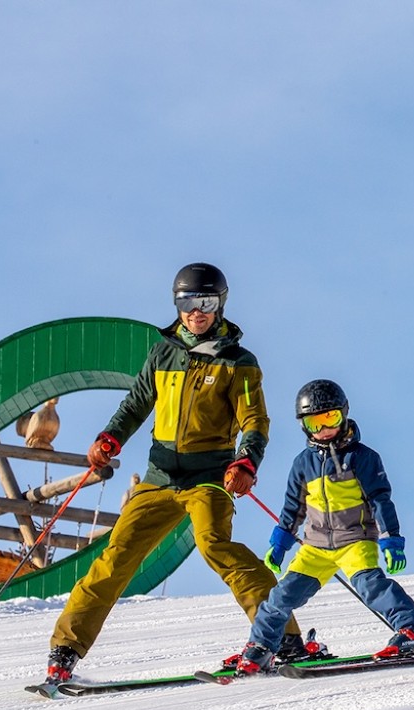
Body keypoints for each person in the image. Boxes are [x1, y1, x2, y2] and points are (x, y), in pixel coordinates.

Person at [43, 263, 312, 687]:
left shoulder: (238, 361)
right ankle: (65, 651)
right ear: (178, 304)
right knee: (116, 559)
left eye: (205, 302)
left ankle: (285, 637)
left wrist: (246, 462)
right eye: (187, 302)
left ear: (220, 304)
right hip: (159, 477)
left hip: (209, 477)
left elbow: (255, 420)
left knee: (215, 547)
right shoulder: (163, 353)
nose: (196, 312)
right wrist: (110, 438)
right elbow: (135, 405)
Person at [232, 379, 414, 675]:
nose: (323, 429)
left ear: (344, 414)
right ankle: (261, 648)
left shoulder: (363, 457)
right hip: (315, 548)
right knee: (279, 599)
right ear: (304, 426)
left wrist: (391, 540)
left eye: (330, 418)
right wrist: (279, 545)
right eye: (314, 423)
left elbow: (380, 500)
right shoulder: (302, 463)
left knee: (372, 587)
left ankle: (412, 632)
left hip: (354, 541)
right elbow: (293, 508)